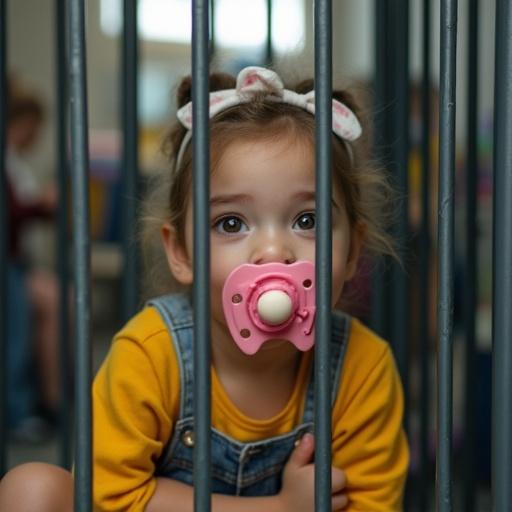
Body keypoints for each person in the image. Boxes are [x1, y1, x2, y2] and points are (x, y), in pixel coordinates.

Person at [0, 66, 409, 511]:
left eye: (307, 220)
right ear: (181, 253)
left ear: (352, 253)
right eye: (230, 223)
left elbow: (372, 503)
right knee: (31, 488)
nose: (273, 252)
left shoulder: (362, 368)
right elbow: (103, 492)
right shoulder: (151, 352)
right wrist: (276, 509)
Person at [5, 81, 61, 440]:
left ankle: (51, 398)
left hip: (19, 259)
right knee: (17, 330)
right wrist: (41, 203)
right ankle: (21, 409)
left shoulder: (16, 162)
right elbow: (9, 212)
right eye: (37, 126)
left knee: (56, 303)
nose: (38, 135)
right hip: (9, 261)